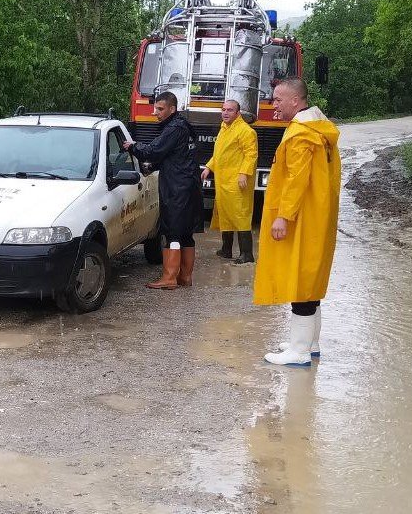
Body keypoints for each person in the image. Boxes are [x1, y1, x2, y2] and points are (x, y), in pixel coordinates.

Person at [253, 78, 341, 366]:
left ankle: (299, 351)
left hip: (302, 216)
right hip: (318, 215)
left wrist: (283, 216)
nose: (273, 104)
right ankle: (309, 343)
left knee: (301, 281)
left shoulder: (301, 134)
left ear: (295, 100)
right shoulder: (319, 127)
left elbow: (296, 179)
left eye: (278, 99)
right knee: (311, 279)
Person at [124, 91, 201, 289]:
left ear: (172, 109)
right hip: (190, 186)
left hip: (177, 188)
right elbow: (176, 156)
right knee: (186, 234)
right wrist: (154, 166)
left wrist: (132, 147)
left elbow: (154, 151)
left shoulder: (173, 129)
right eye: (155, 108)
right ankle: (185, 277)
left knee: (173, 233)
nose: (154, 112)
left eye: (160, 109)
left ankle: (169, 278)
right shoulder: (185, 126)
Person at [200, 99, 258, 263]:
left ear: (237, 113)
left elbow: (251, 155)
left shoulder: (246, 131)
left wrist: (244, 174)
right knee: (225, 214)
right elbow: (219, 152)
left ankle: (246, 254)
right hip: (223, 179)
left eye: (230, 110)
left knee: (240, 215)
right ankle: (226, 249)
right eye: (223, 109)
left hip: (237, 181)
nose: (225, 113)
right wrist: (209, 167)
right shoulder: (224, 128)